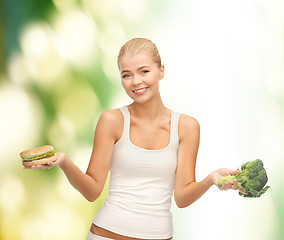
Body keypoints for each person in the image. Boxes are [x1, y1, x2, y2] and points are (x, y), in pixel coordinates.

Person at [24, 38, 246, 240]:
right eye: (126, 75)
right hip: (106, 234)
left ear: (161, 71)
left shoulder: (187, 127)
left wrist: (210, 179)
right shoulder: (112, 120)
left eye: (144, 71)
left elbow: (182, 198)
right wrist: (63, 161)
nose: (135, 82)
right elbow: (92, 192)